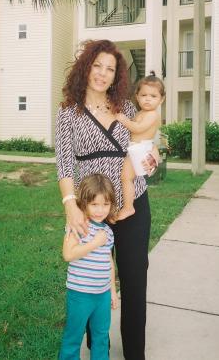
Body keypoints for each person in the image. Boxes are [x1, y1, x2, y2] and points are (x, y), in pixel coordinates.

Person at [55, 39, 157, 360]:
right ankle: (99, 349)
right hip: (93, 211)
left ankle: (135, 355)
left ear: (117, 76)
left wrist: (153, 154)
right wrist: (72, 206)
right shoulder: (69, 112)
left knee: (134, 281)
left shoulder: (127, 107)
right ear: (86, 67)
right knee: (93, 284)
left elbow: (145, 141)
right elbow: (64, 163)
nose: (102, 73)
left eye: (110, 69)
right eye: (97, 65)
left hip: (133, 205)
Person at [59, 173, 118, 360]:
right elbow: (68, 254)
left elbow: (108, 261)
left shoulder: (107, 231)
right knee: (73, 337)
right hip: (80, 294)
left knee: (100, 337)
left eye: (105, 204)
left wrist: (113, 290)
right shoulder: (78, 224)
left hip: (102, 295)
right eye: (94, 204)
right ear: (84, 202)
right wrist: (95, 243)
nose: (100, 210)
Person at [116, 71, 165, 220]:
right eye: (144, 95)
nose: (148, 99)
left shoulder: (152, 115)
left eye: (153, 96)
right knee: (126, 177)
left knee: (126, 178)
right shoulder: (141, 112)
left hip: (140, 149)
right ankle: (128, 206)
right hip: (137, 148)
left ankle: (129, 207)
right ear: (137, 97)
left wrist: (123, 119)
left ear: (161, 100)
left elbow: (137, 129)